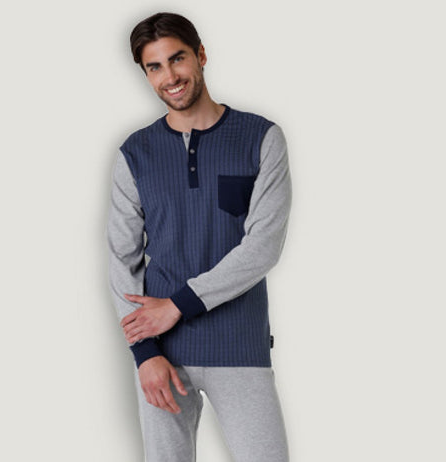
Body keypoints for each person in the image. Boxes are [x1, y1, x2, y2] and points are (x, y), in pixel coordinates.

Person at [106, 12, 292, 462]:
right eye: (154, 66)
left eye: (177, 59)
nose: (169, 76)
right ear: (146, 74)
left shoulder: (261, 138)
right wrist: (144, 353)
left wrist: (177, 305)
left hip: (239, 345)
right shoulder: (135, 153)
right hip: (163, 355)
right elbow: (121, 260)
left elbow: (263, 247)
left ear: (201, 55)